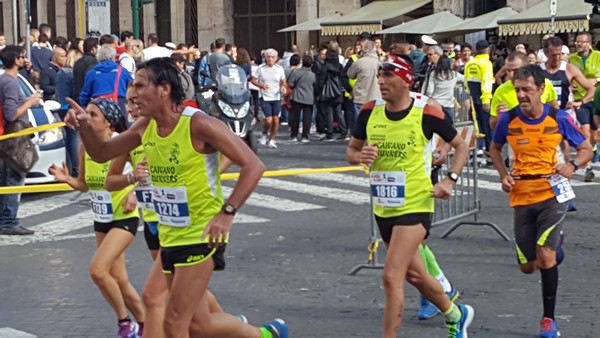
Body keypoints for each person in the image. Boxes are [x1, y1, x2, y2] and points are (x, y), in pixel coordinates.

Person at [64, 57, 287, 338]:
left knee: (174, 324)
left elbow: (254, 165)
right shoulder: (145, 127)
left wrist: (226, 213)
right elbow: (101, 153)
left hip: (201, 233)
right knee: (199, 324)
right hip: (170, 234)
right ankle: (266, 335)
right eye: (132, 86)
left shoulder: (199, 124)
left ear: (164, 89)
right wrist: (84, 127)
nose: (132, 93)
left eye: (140, 85)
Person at [346, 53, 473, 338]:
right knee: (415, 275)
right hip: (384, 207)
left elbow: (460, 145)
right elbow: (351, 150)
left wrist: (450, 180)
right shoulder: (368, 110)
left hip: (416, 203)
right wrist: (359, 155)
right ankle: (456, 314)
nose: (381, 81)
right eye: (379, 75)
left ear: (405, 80)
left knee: (391, 276)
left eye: (387, 76)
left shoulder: (427, 110)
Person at [489, 64, 593, 338]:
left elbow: (586, 149)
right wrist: (503, 175)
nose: (521, 95)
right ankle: (555, 247)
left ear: (541, 89)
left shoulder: (558, 117)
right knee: (527, 266)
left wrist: (571, 166)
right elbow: (495, 148)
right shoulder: (508, 119)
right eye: (517, 90)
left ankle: (548, 320)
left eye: (527, 90)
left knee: (545, 258)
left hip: (551, 193)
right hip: (521, 195)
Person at [49, 98, 145, 338]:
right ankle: (145, 324)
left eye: (93, 115)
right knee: (120, 280)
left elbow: (147, 173)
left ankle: (125, 324)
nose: (87, 119)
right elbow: (83, 184)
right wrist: (66, 179)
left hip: (124, 217)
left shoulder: (122, 145)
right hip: (101, 218)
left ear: (109, 122)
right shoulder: (86, 148)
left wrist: (134, 193)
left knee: (98, 271)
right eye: (87, 113)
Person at [0, 45, 41, 235]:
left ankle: (6, 220)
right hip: (14, 138)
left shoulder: (9, 80)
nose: (25, 59)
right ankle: (9, 221)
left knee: (9, 178)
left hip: (12, 136)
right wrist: (30, 103)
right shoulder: (9, 83)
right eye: (22, 57)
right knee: (15, 177)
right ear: (16, 60)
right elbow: (11, 114)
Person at [569, 32, 600, 182]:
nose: (578, 45)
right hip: (579, 100)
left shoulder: (598, 56)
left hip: (596, 99)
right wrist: (570, 85)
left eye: (581, 42)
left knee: (596, 135)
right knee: (585, 132)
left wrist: (596, 80)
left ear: (589, 43)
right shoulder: (572, 59)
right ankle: (588, 168)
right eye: (577, 42)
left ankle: (594, 149)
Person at [79, 44, 133, 123]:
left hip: (99, 107)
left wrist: (85, 105)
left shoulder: (92, 73)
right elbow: (132, 87)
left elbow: (85, 95)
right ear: (114, 56)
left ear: (98, 57)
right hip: (119, 105)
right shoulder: (122, 71)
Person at [464, 40, 494, 165]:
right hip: (483, 100)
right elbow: (486, 83)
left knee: (476, 127)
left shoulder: (470, 63)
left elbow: (466, 82)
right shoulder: (486, 63)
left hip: (472, 99)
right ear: (488, 50)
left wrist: (467, 97)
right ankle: (489, 156)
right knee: (487, 128)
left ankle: (476, 154)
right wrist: (486, 100)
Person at [250, 48, 287, 149]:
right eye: (268, 57)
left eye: (272, 57)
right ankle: (264, 132)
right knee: (269, 120)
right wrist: (261, 85)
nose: (270, 59)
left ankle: (272, 139)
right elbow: (253, 80)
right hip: (265, 96)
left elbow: (283, 81)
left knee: (276, 120)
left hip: (276, 96)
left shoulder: (279, 69)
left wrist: (283, 86)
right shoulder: (261, 68)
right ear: (265, 58)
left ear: (276, 58)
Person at [56, 48, 83, 177]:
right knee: (74, 139)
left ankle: (71, 166)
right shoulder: (72, 74)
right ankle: (77, 168)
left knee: (67, 139)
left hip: (59, 106)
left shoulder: (61, 72)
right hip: (69, 107)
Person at [424, 53, 464, 122]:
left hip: (436, 104)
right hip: (449, 104)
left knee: (436, 126)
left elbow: (429, 91)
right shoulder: (454, 74)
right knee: (448, 128)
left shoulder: (434, 74)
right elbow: (465, 79)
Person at [286, 55, 316, 143]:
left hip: (297, 96)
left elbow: (290, 84)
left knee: (295, 116)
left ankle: (294, 134)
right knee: (307, 118)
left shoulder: (296, 72)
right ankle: (305, 136)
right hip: (309, 97)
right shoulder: (313, 75)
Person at [347, 40, 381, 115]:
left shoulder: (359, 62)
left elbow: (350, 75)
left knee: (360, 123)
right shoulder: (380, 63)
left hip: (361, 97)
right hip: (376, 97)